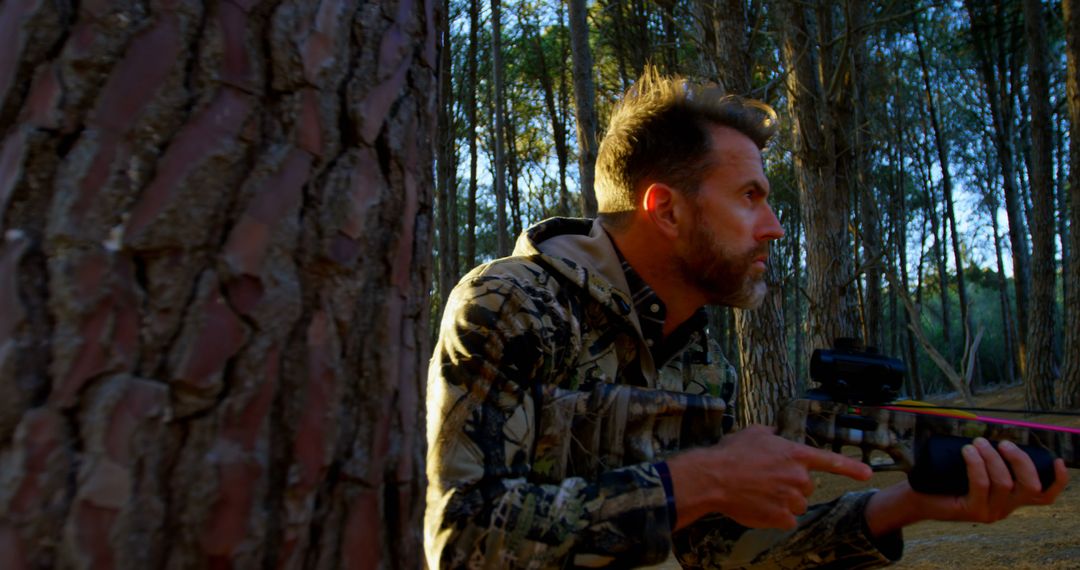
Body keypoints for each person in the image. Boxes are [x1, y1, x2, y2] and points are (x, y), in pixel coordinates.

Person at [424, 68, 1068, 569]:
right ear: (667, 210)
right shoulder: (513, 303)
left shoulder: (702, 363)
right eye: (750, 196)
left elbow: (720, 554)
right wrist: (697, 478)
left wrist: (909, 504)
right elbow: (462, 542)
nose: (775, 226)